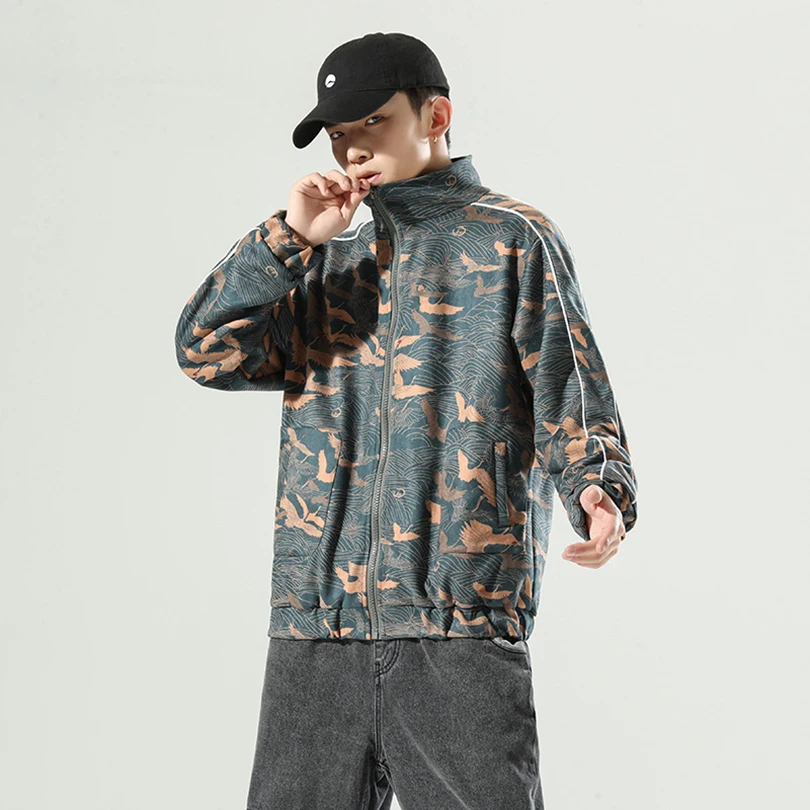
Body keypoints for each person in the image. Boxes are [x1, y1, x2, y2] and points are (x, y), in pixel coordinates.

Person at [174, 30, 638, 810]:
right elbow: (204, 350)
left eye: (373, 123)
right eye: (338, 133)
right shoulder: (329, 263)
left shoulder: (512, 239)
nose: (353, 148)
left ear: (436, 116)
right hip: (317, 629)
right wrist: (290, 238)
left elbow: (570, 388)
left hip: (457, 628)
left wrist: (598, 488)